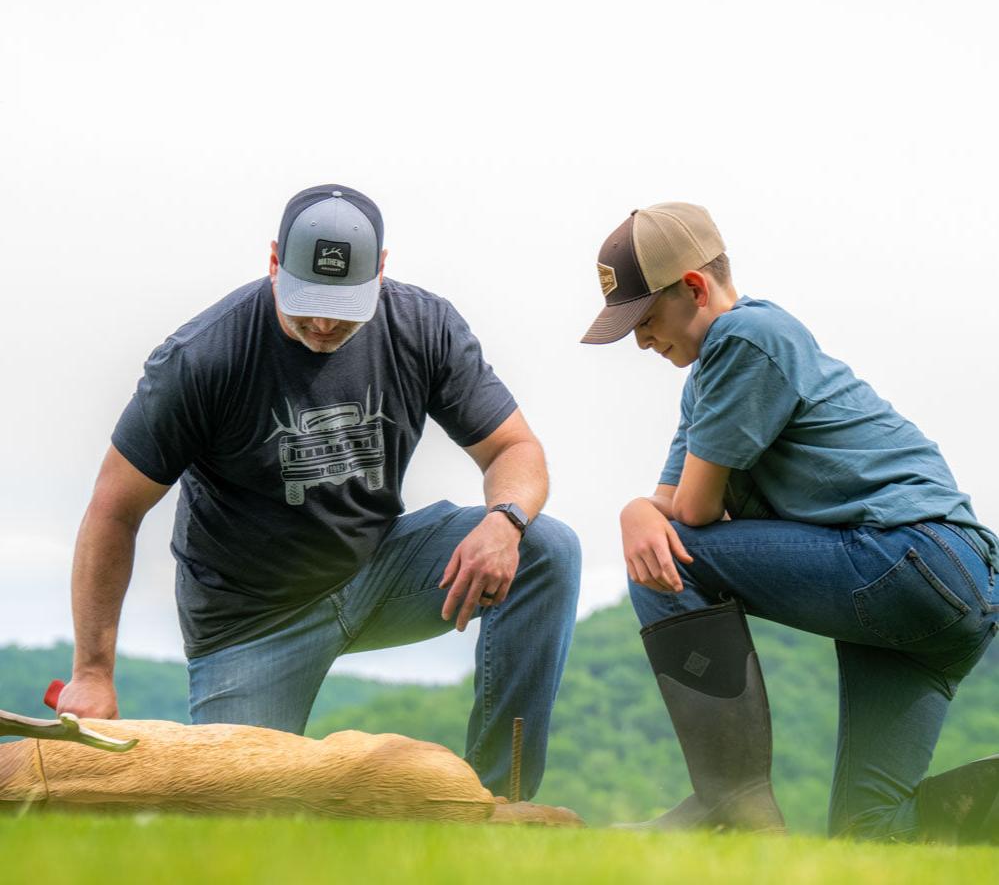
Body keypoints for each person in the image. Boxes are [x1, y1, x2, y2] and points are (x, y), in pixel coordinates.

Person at [58, 183, 581, 799]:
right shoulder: (202, 358)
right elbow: (112, 512)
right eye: (306, 301)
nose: (325, 322)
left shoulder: (424, 326)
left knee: (546, 547)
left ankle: (501, 805)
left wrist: (504, 520)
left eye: (344, 305)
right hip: (251, 621)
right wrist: (92, 673)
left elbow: (515, 449)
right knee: (240, 820)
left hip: (379, 572)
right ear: (275, 261)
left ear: (381, 271)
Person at [581, 202, 998, 844]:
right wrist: (635, 509)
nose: (639, 340)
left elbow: (689, 515)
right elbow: (670, 498)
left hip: (915, 556)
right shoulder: (710, 379)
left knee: (665, 562)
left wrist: (647, 519)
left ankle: (731, 804)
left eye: (645, 319)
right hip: (945, 592)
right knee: (871, 834)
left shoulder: (746, 337)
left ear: (693, 286)